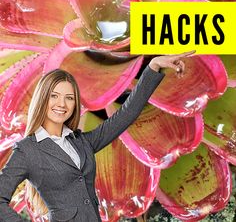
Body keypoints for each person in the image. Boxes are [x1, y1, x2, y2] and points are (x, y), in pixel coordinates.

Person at [0, 50, 196, 222]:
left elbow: (125, 116)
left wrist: (153, 67)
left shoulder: (81, 142)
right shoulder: (28, 150)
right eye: (54, 96)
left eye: (69, 98)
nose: (62, 104)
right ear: (42, 99)